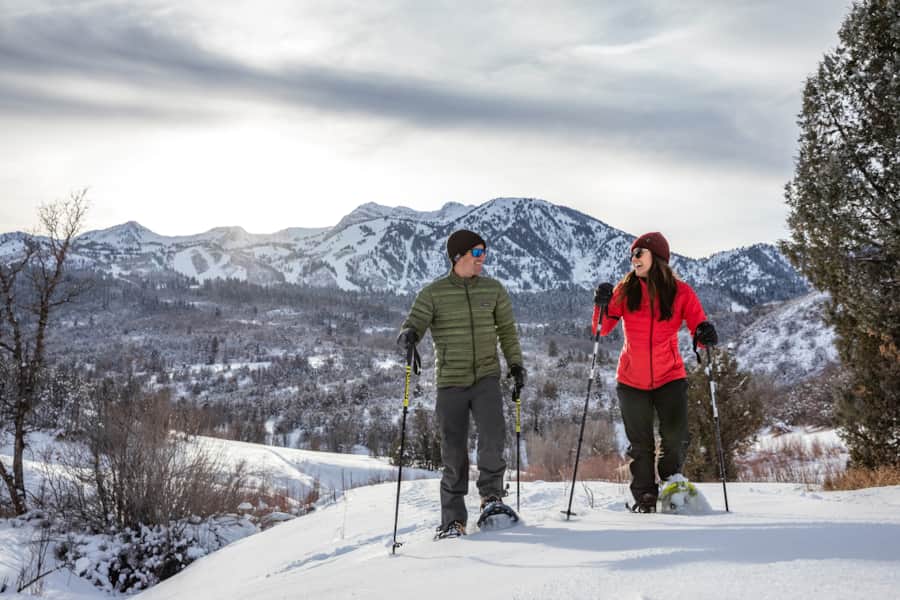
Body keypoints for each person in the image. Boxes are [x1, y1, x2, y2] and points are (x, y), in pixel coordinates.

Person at [397, 229, 526, 537]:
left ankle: (491, 499)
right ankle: (453, 521)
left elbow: (507, 332)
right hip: (451, 382)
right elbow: (413, 323)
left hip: (486, 378)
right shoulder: (433, 293)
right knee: (453, 452)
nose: (483, 260)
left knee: (494, 437)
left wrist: (517, 365)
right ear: (459, 257)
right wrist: (408, 336)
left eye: (484, 253)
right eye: (478, 254)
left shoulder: (493, 290)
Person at [594, 232, 717, 513]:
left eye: (639, 253)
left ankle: (671, 479)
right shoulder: (625, 291)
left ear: (657, 257)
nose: (633, 259)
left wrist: (705, 335)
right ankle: (645, 496)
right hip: (631, 379)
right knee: (641, 445)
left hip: (669, 376)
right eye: (632, 255)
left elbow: (698, 325)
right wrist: (600, 305)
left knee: (675, 436)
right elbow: (601, 329)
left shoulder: (681, 292)